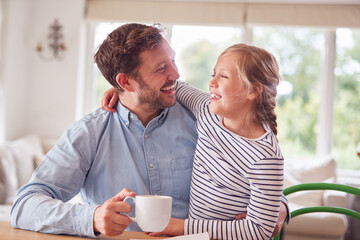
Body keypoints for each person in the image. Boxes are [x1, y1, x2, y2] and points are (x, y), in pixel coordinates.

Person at [11, 23, 287, 238]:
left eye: (173, 61)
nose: (177, 75)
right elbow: (25, 206)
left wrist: (279, 211)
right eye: (161, 68)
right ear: (126, 82)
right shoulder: (90, 133)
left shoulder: (204, 116)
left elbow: (258, 180)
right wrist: (91, 218)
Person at [102, 43, 284, 239]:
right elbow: (173, 86)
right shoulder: (206, 110)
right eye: (212, 75)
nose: (212, 83)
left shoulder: (266, 156)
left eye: (223, 76)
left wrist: (183, 228)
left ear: (253, 90)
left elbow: (259, 230)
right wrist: (124, 90)